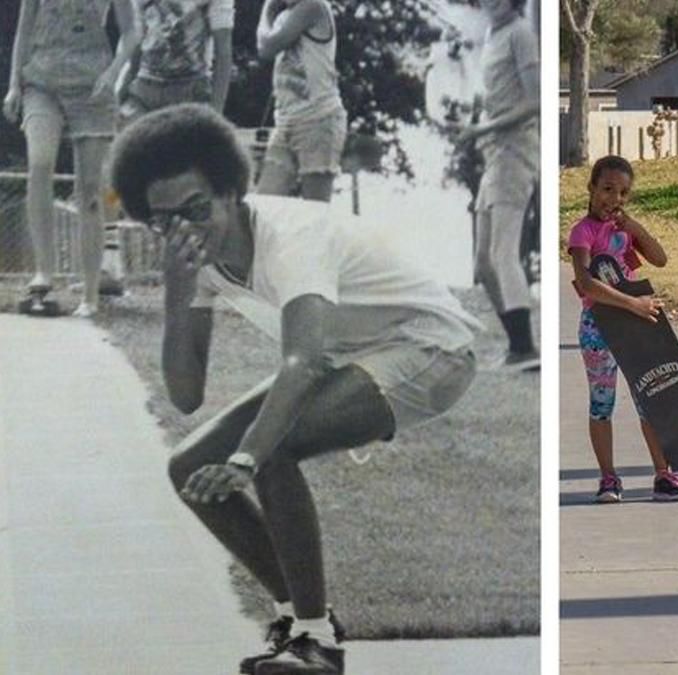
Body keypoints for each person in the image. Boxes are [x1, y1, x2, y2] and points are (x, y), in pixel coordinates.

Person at [109, 104, 482, 675]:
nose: (183, 230)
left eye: (195, 209)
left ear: (234, 191)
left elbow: (303, 362)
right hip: (356, 353)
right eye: (164, 221)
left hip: (432, 349)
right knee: (188, 468)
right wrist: (175, 286)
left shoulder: (292, 238)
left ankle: (317, 643)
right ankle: (300, 619)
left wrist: (245, 457)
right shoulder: (196, 260)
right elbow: (185, 394)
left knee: (272, 446)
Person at [567, 155, 678, 504]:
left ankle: (663, 474)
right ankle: (609, 479)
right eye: (608, 189)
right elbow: (587, 283)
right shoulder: (582, 232)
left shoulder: (623, 231)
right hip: (600, 327)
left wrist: (634, 227)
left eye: (624, 193)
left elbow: (660, 258)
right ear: (592, 188)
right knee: (601, 404)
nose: (615, 198)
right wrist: (632, 304)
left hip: (637, 327)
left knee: (650, 400)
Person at [4, 0, 138, 317]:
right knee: (39, 163)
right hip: (41, 80)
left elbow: (132, 31)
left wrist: (114, 71)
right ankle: (43, 271)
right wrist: (13, 86)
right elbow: (23, 32)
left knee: (91, 189)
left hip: (92, 84)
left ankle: (90, 293)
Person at [456, 0, 539, 371]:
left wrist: (484, 128)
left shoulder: (520, 33)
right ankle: (517, 346)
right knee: (483, 262)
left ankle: (525, 349)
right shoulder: (493, 32)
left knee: (503, 253)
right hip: (494, 154)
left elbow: (536, 101)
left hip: (515, 152)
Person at [255, 0, 346, 202]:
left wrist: (267, 8)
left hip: (318, 119)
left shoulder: (312, 7)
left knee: (316, 208)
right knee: (267, 203)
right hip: (286, 121)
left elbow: (266, 48)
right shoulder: (284, 16)